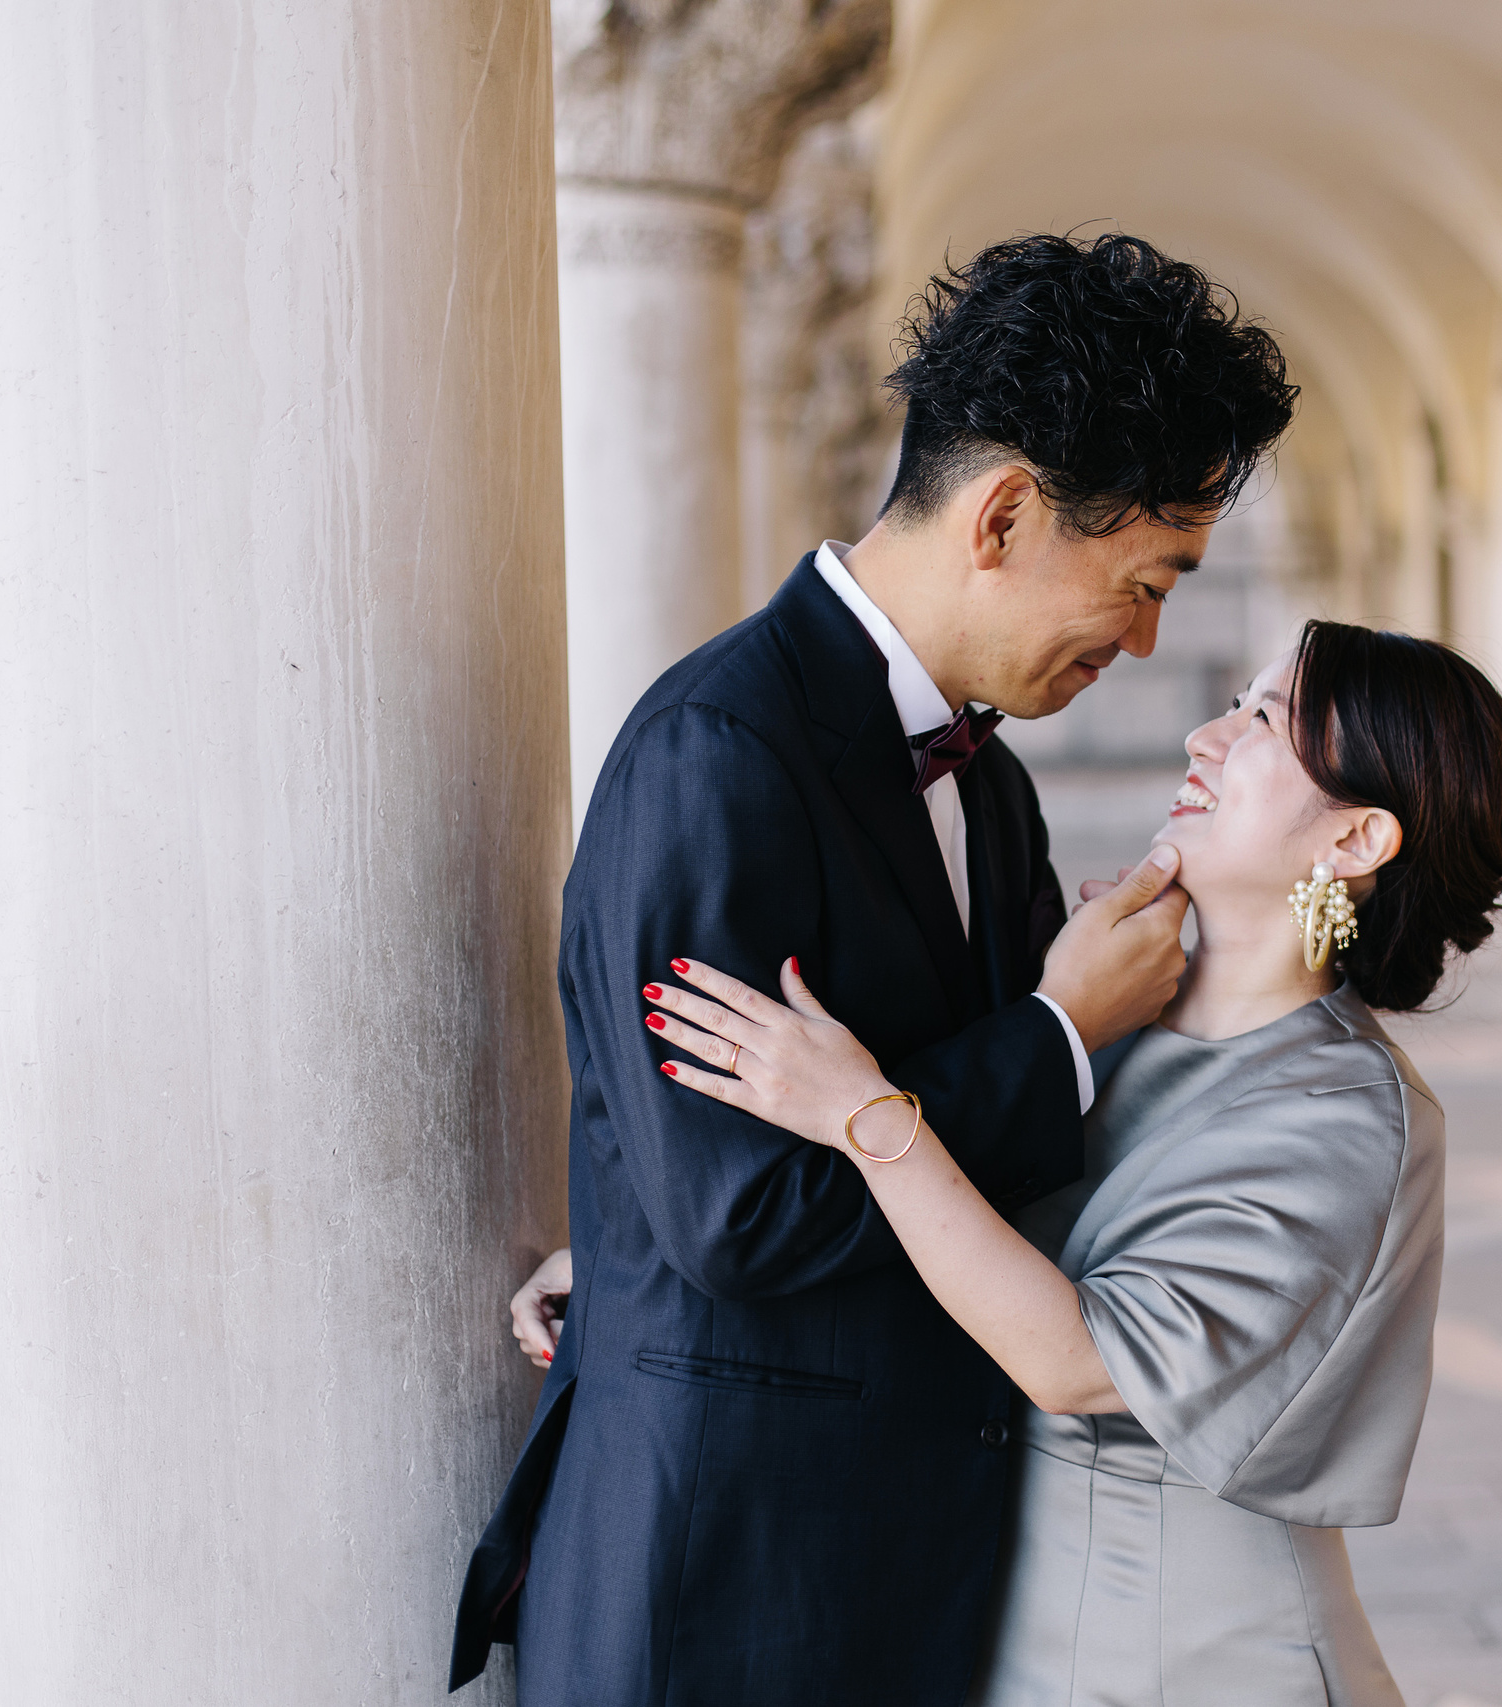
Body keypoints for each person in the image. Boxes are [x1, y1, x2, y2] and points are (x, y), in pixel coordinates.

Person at [448, 233, 1298, 1706]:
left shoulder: (999, 783)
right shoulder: (717, 755)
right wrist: (1053, 1030)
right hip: (724, 1588)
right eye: (1145, 580)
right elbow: (741, 1211)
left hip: (911, 1569)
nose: (1151, 639)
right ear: (1008, 514)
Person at [614, 619, 1502, 1704]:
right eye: (1234, 703)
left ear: (1354, 842)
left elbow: (1076, 1362)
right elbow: (953, 1237)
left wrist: (866, 1113)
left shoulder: (1349, 1114)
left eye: (1260, 722)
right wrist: (648, 1268)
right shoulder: (1110, 1009)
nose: (1204, 736)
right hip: (1013, 1636)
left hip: (1204, 1661)